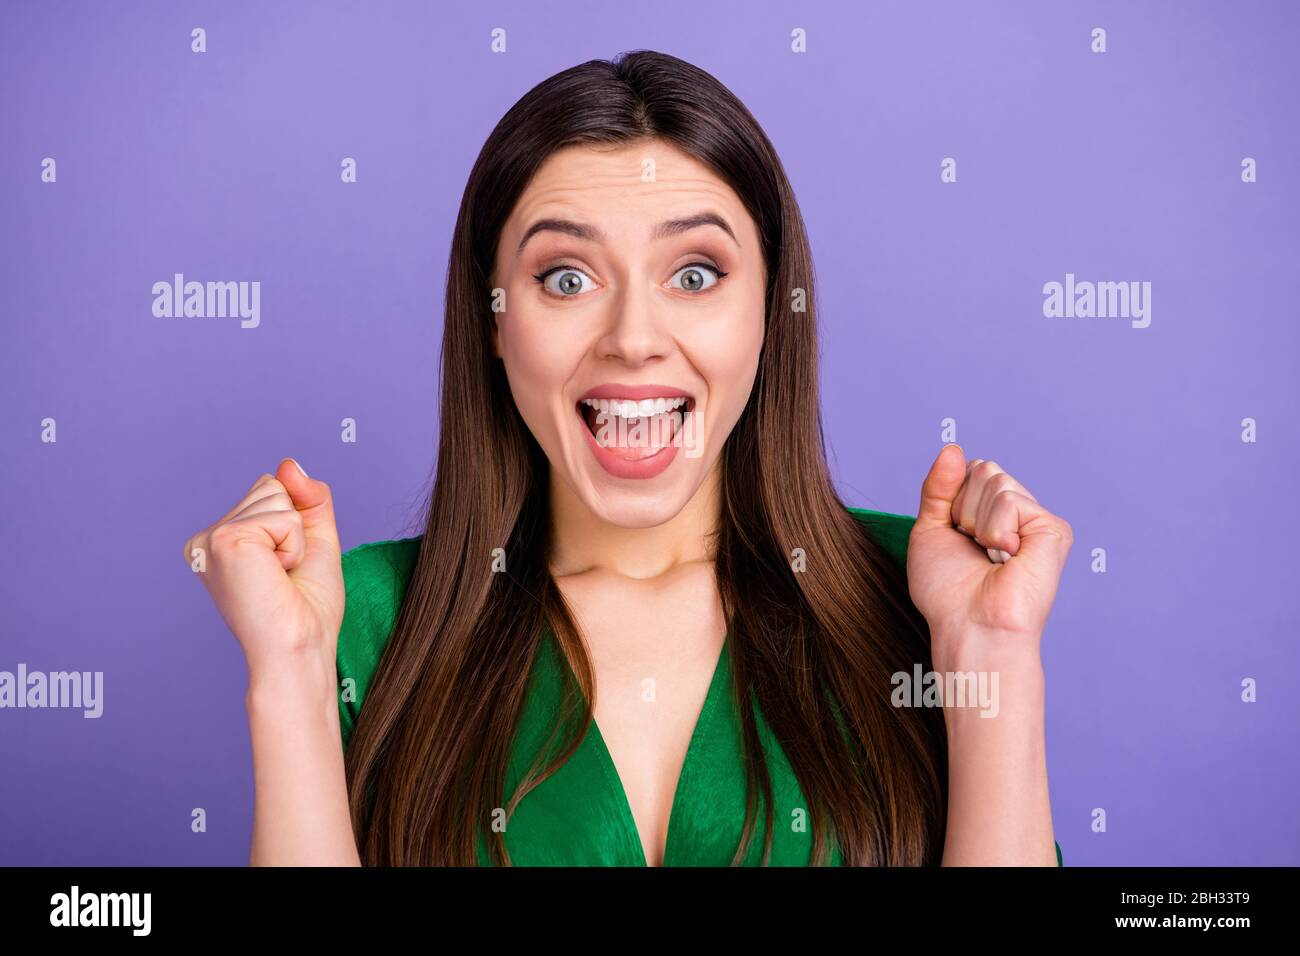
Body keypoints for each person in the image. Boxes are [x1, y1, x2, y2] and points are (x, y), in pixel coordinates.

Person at [183, 50, 1072, 867]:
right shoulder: (362, 625)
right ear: (494, 318)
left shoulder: (919, 602)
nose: (635, 340)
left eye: (695, 274)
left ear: (770, 310)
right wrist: (292, 673)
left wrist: (989, 650)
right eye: (567, 278)